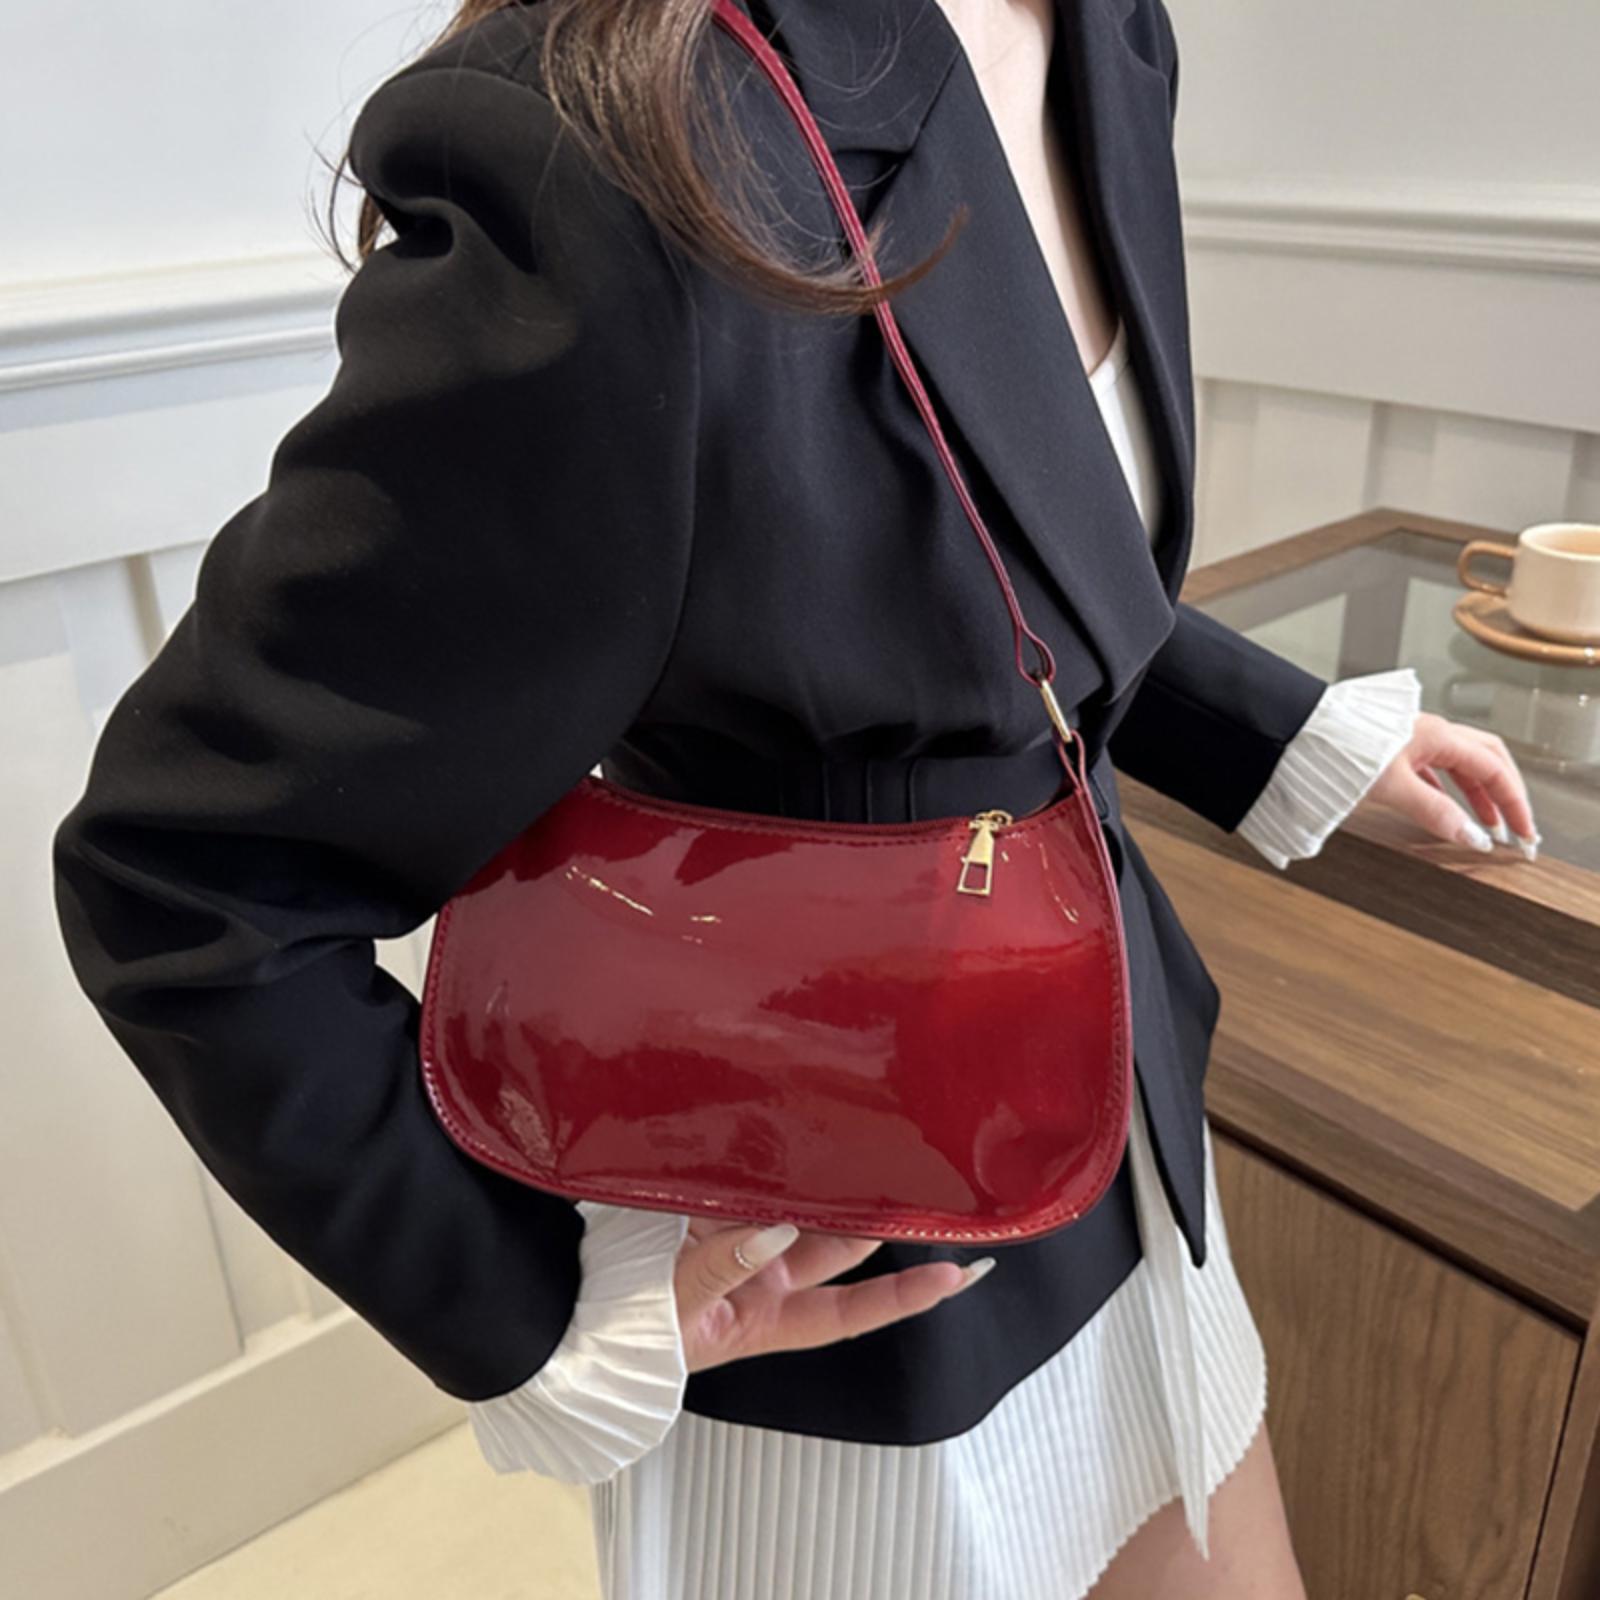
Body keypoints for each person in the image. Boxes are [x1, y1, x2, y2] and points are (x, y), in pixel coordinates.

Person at [51, 1, 1538, 1596]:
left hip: (1121, 1120)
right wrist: (529, 1302)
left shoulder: (1110, 32)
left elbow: (1015, 550)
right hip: (839, 1247)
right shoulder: (610, 144)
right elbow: (192, 876)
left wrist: (1281, 734)